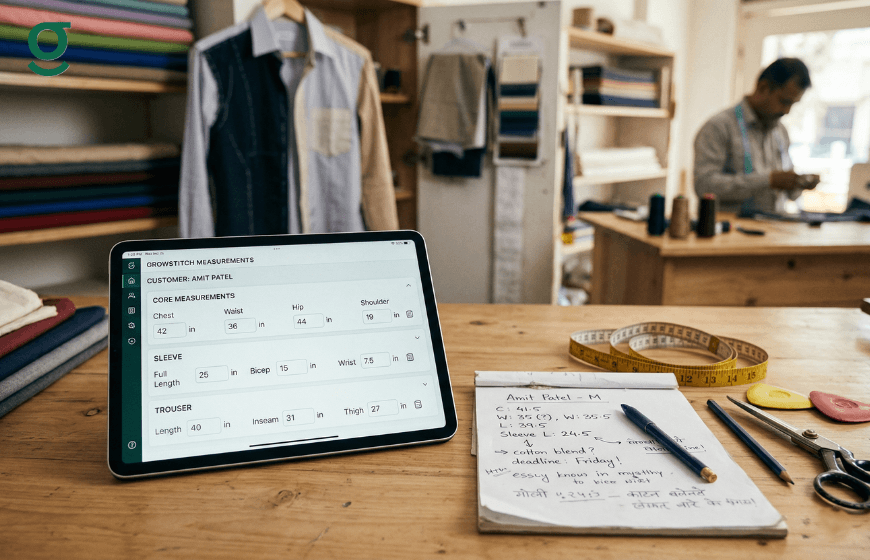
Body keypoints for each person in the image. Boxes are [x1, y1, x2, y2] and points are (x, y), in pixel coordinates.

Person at [694, 58, 819, 214]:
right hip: (731, 233)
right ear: (763, 88)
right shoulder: (719, 127)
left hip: (773, 231)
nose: (787, 111)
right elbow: (704, 186)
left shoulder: (780, 132)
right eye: (784, 101)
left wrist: (798, 183)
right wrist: (768, 180)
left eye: (793, 104)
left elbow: (790, 194)